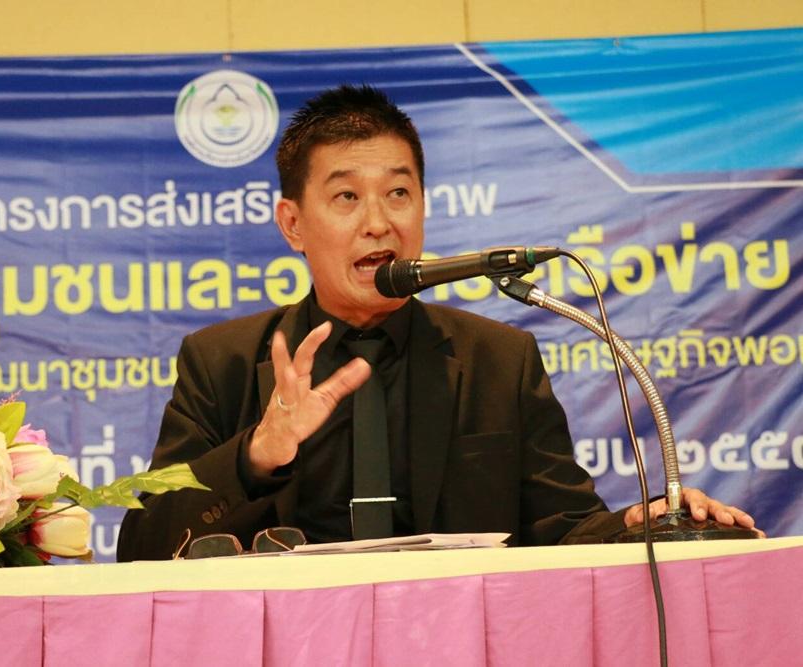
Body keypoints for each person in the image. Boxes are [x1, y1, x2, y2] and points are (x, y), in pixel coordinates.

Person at [116, 85, 757, 561]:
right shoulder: (222, 361)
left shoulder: (497, 360)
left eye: (398, 193)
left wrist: (641, 523)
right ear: (293, 224)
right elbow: (142, 547)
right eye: (346, 196)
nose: (378, 222)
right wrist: (258, 454)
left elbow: (562, 531)